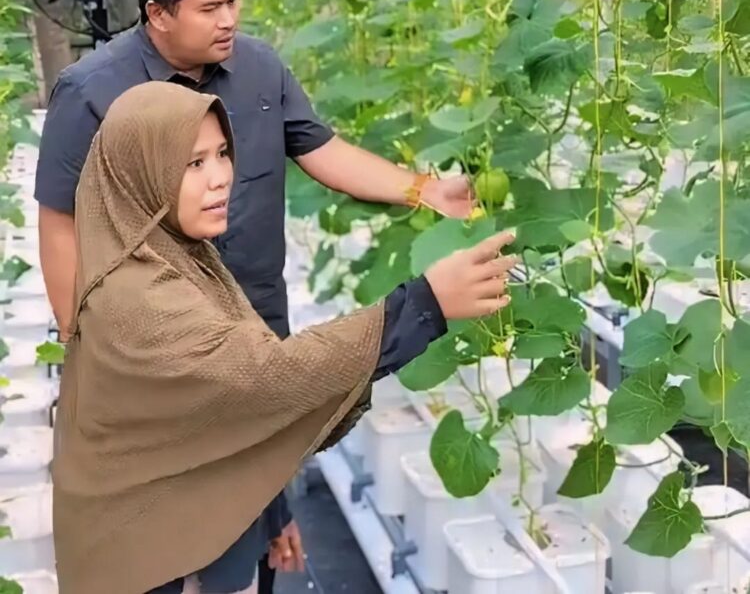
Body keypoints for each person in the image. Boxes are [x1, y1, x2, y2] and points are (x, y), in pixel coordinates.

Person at [34, 0, 475, 587]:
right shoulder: (93, 91)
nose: (230, 19)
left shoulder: (259, 69)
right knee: (175, 510)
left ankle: (259, 545)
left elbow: (322, 148)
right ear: (157, 14)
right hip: (159, 345)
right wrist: (87, 337)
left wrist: (421, 189)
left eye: (234, 1)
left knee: (253, 483)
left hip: (251, 316)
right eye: (210, 9)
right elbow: (59, 221)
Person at [52, 81, 516, 594]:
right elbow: (264, 376)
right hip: (153, 569)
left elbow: (232, 414)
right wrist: (422, 306)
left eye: (222, 154)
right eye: (193, 164)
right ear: (142, 174)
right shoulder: (136, 298)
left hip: (192, 543)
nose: (220, 178)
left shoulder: (171, 255)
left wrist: (273, 515)